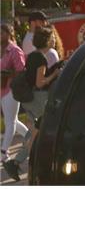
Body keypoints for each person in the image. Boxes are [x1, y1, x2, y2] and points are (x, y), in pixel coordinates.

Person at [6, 26, 63, 181]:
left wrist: (52, 69)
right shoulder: (41, 59)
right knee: (40, 131)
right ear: (46, 40)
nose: (53, 40)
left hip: (29, 100)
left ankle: (15, 163)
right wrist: (55, 74)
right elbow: (40, 82)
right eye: (51, 38)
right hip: (39, 99)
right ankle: (30, 164)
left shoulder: (32, 56)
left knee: (33, 133)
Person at [1, 23, 28, 177]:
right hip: (1, 90)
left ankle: (3, 153)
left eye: (2, 33)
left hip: (11, 90)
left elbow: (21, 71)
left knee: (9, 122)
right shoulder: (0, 50)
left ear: (9, 34)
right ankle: (30, 138)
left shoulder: (14, 50)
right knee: (13, 120)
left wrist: (8, 74)